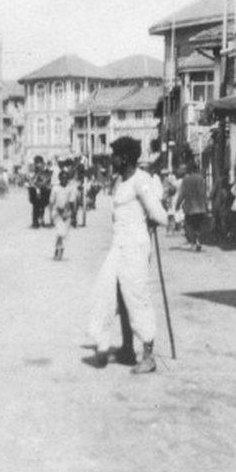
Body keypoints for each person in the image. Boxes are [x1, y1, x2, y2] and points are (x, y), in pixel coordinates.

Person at [87, 137, 168, 374]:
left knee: (137, 298)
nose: (111, 160)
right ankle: (126, 348)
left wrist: (158, 220)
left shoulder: (141, 181)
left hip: (135, 248)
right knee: (112, 294)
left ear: (124, 158)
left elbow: (158, 213)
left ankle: (148, 356)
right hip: (118, 246)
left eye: (114, 155)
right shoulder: (119, 182)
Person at [175, 160, 208, 252]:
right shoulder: (201, 179)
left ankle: (193, 242)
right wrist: (206, 205)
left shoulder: (186, 180)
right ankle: (198, 240)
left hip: (190, 207)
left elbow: (182, 193)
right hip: (200, 206)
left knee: (190, 225)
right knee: (198, 225)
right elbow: (204, 193)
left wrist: (177, 204)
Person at [49, 169, 78, 260]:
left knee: (64, 234)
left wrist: (74, 216)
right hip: (57, 213)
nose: (64, 180)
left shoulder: (71, 189)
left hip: (67, 213)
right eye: (62, 178)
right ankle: (59, 249)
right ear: (59, 179)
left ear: (68, 179)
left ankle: (58, 248)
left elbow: (72, 202)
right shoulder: (55, 188)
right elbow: (51, 202)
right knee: (60, 232)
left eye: (66, 178)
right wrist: (50, 214)